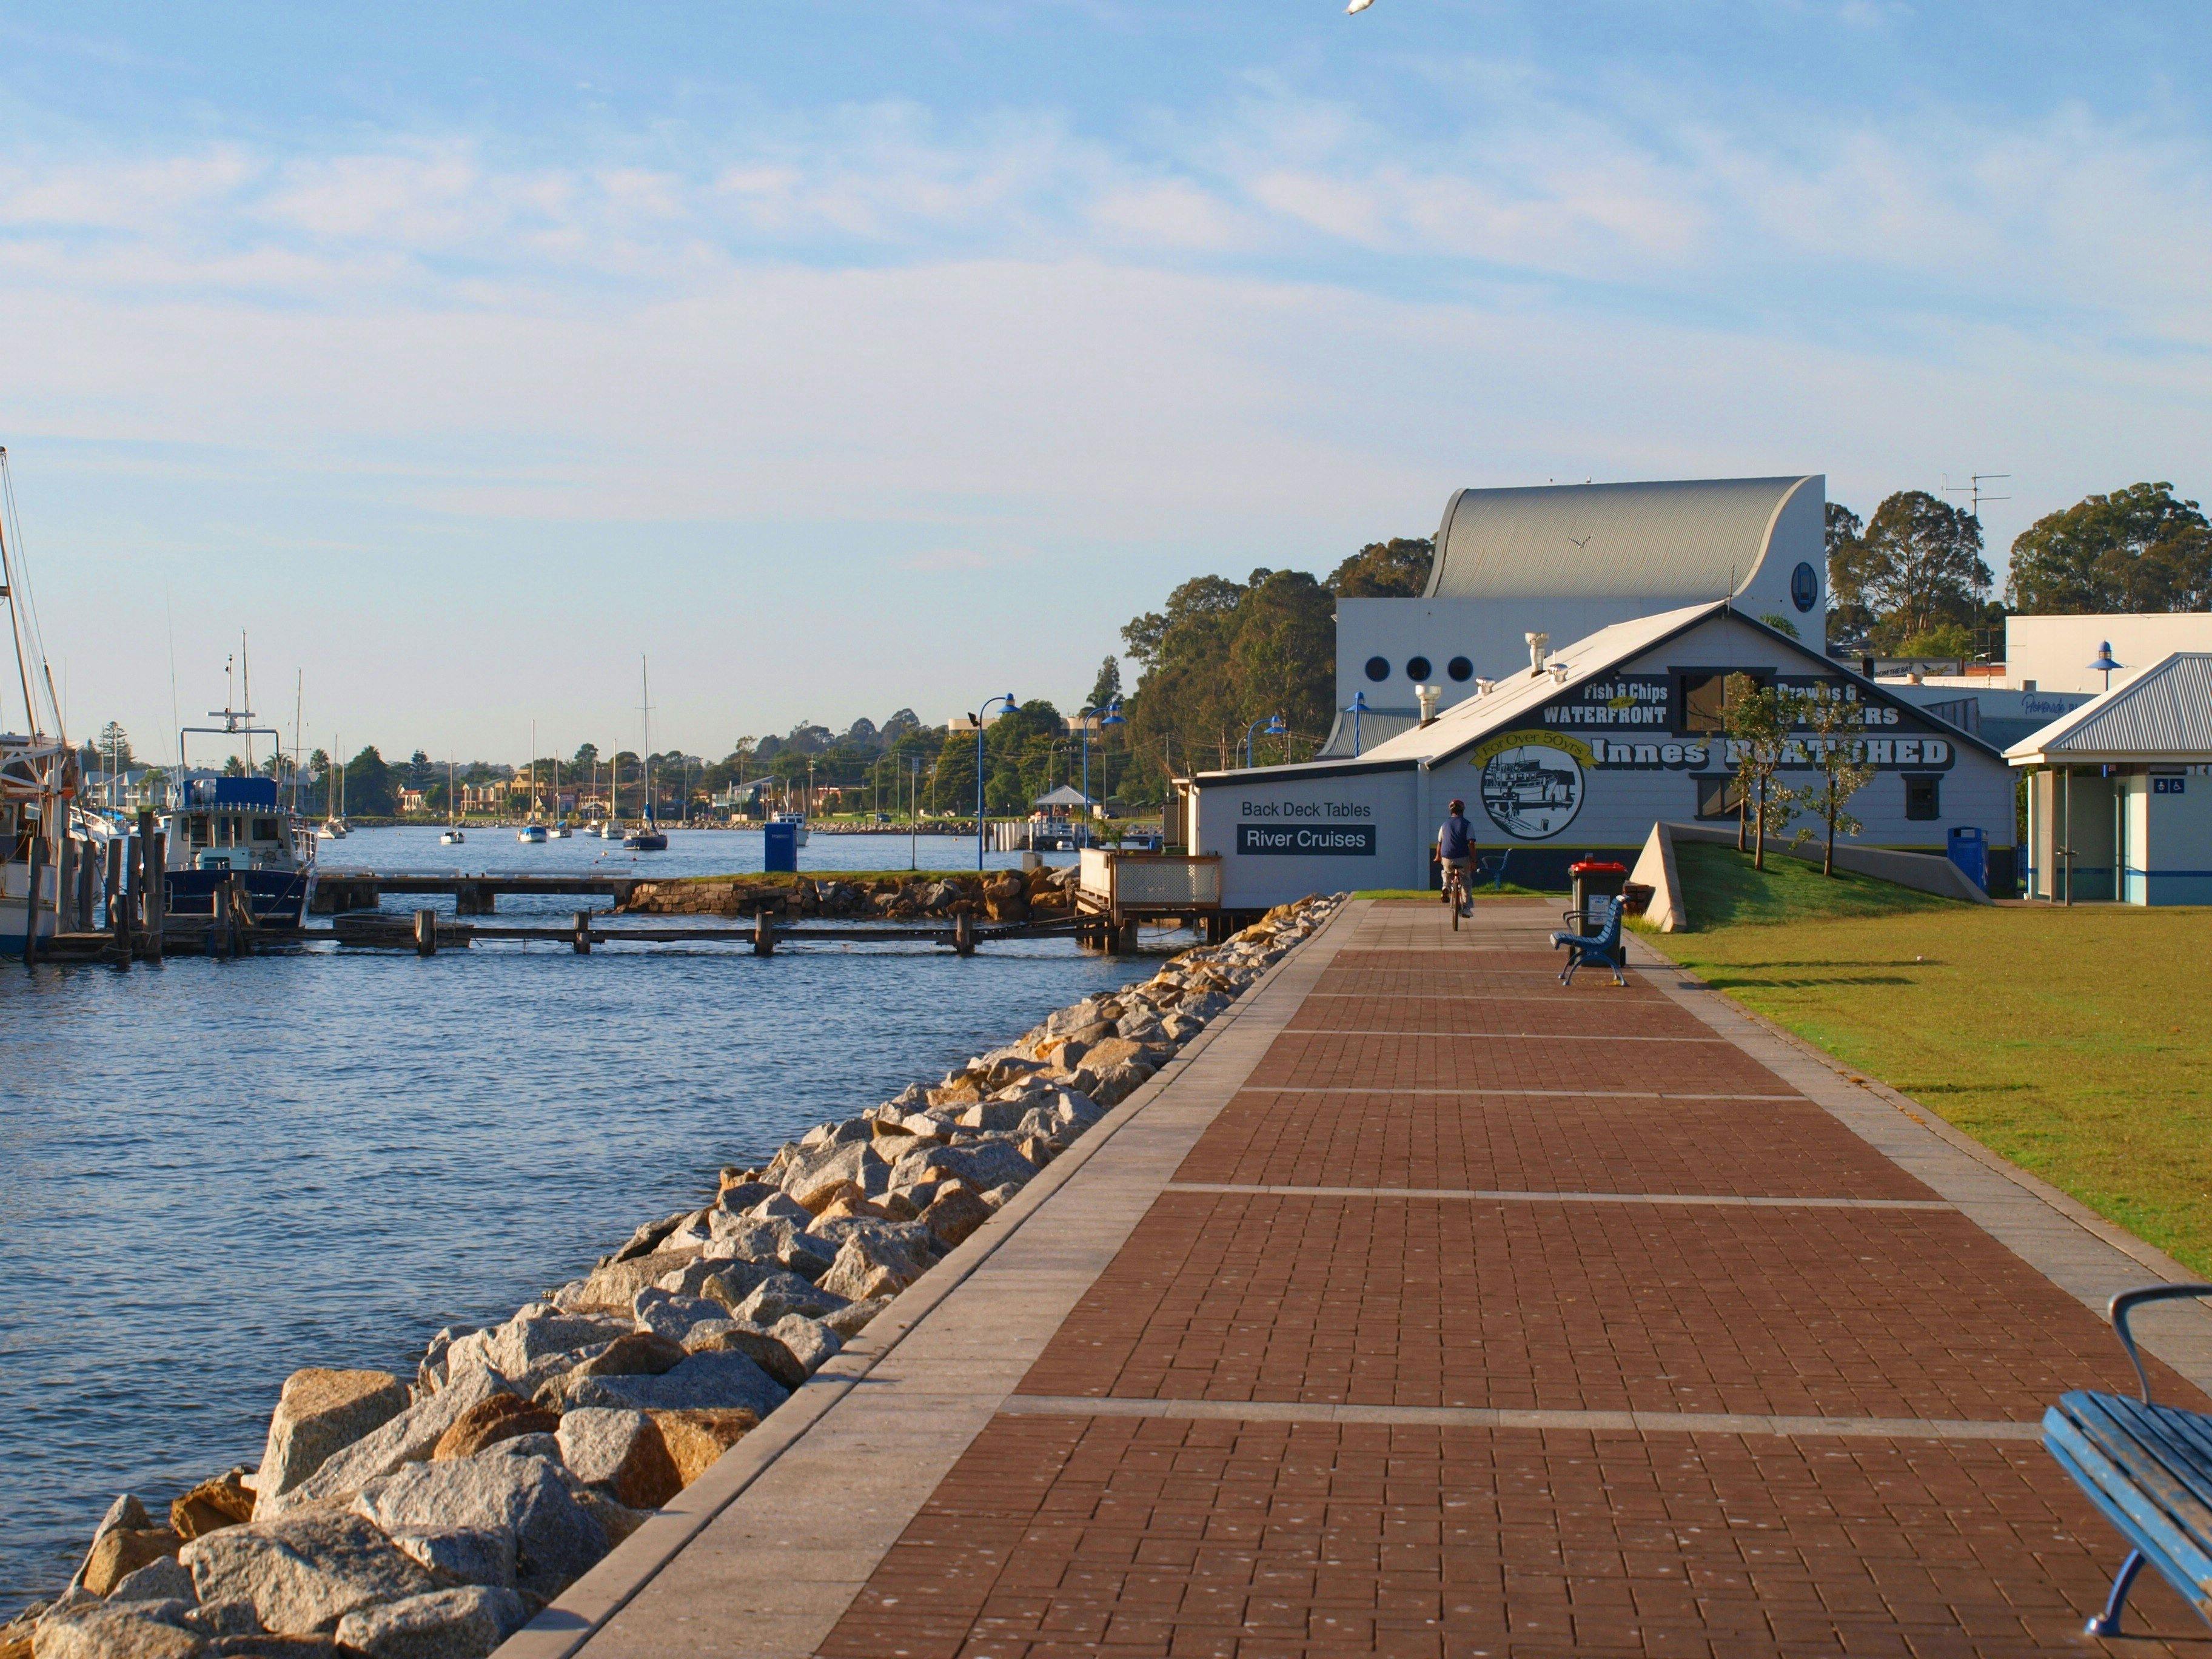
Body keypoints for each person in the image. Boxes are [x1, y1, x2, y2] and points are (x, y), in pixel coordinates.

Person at [1437, 797, 1475, 908]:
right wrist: (1474, 861)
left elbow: (1440, 843)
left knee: (1447, 872)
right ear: (1463, 811)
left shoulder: (1444, 825)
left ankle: (1446, 887)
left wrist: (1438, 857)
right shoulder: (1467, 824)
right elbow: (1471, 843)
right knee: (1466, 880)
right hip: (1463, 857)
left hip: (1447, 857)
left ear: (1451, 811)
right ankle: (1466, 907)